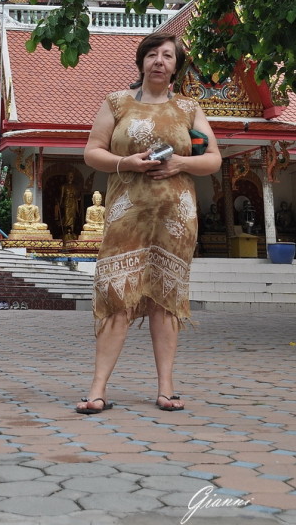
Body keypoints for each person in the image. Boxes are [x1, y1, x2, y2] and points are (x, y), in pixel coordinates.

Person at [76, 34, 221, 416]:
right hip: (127, 216)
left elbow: (213, 159)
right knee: (115, 295)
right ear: (141, 62)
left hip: (175, 218)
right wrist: (127, 163)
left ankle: (166, 387)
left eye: (168, 56)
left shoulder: (189, 109)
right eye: (152, 54)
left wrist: (181, 164)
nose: (159, 61)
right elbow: (92, 151)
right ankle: (97, 388)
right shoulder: (117, 103)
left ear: (176, 66)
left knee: (166, 298)